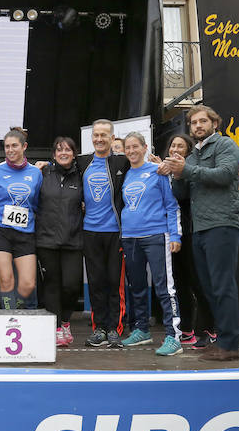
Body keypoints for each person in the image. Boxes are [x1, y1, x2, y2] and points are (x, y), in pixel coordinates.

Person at [161, 105, 239, 361]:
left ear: (214, 124)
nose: (198, 126)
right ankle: (220, 339)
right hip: (200, 229)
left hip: (222, 224)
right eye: (194, 123)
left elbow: (225, 174)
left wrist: (184, 170)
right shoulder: (193, 156)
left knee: (222, 286)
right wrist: (172, 175)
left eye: (202, 121)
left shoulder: (225, 146)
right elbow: (184, 193)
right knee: (208, 288)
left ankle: (229, 345)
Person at [118, 132, 183, 356]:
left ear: (145, 148)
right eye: (128, 147)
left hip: (156, 236)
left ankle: (173, 336)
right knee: (136, 287)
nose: (131, 151)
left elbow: (172, 205)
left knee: (164, 287)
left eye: (136, 146)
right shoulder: (125, 175)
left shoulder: (158, 171)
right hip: (129, 238)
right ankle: (141, 330)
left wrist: (175, 236)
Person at [159, 133, 217, 349]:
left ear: (188, 151)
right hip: (170, 233)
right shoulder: (163, 171)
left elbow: (181, 195)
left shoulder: (189, 171)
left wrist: (177, 173)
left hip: (191, 232)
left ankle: (209, 329)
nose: (175, 149)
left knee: (198, 282)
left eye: (180, 146)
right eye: (172, 145)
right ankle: (186, 330)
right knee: (179, 284)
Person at [79, 119, 131, 348]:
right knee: (96, 282)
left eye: (104, 135)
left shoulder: (122, 161)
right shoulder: (83, 162)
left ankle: (114, 329)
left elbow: (140, 169)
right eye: (96, 135)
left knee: (114, 283)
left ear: (112, 138)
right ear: (92, 138)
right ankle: (99, 328)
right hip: (90, 232)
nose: (99, 139)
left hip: (114, 233)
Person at [0, 128, 42, 310]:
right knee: (6, 280)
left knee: (27, 284)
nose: (10, 150)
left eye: (14, 146)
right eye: (7, 146)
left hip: (25, 232)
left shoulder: (35, 173)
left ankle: (17, 310)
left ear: (24, 146)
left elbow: (37, 202)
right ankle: (9, 318)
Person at [36, 136, 83, 346]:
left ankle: (66, 321)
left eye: (67, 150)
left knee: (71, 286)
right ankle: (56, 328)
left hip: (73, 240)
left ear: (74, 153)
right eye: (59, 150)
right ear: (54, 154)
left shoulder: (82, 175)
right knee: (52, 286)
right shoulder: (43, 173)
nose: (63, 153)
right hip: (47, 241)